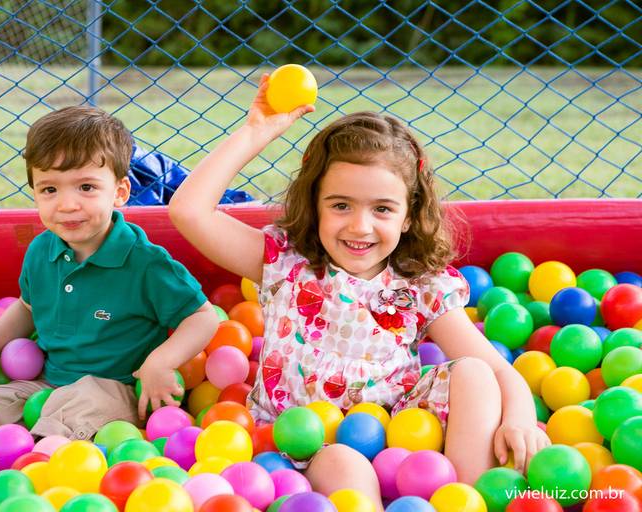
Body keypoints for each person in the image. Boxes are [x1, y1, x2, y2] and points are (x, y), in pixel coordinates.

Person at [169, 75, 549, 508]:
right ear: (314, 205)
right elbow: (188, 210)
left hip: (399, 430)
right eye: (341, 205)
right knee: (347, 464)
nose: (360, 226)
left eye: (382, 209)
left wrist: (519, 419)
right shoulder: (284, 263)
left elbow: (497, 369)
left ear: (409, 216)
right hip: (307, 441)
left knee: (474, 375)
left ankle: (465, 496)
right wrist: (257, 131)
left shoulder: (420, 287)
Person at [0, 105, 219, 438]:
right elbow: (27, 308)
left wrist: (160, 362)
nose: (67, 204)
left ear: (120, 192)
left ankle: (45, 457)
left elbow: (203, 317)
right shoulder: (42, 250)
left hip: (120, 387)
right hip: (48, 383)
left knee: (73, 409)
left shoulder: (146, 263)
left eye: (86, 187)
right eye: (50, 190)